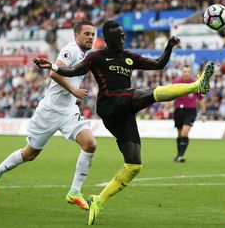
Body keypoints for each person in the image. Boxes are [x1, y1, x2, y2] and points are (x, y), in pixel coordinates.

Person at [33, 20, 215, 225]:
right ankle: (196, 86)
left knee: (134, 165)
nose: (122, 38)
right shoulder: (97, 56)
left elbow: (158, 64)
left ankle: (99, 201)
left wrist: (169, 47)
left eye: (123, 35)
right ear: (108, 39)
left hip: (123, 112)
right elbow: (74, 70)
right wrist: (53, 65)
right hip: (110, 104)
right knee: (151, 93)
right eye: (119, 36)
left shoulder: (128, 57)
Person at [0, 21, 98, 210]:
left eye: (92, 34)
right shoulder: (70, 50)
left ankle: (74, 192)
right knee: (30, 154)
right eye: (86, 34)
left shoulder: (86, 55)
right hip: (50, 110)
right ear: (76, 36)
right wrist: (74, 91)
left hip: (69, 110)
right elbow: (54, 73)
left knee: (90, 143)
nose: (90, 37)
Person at [172, 65, 206, 163]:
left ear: (190, 72)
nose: (186, 73)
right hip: (178, 110)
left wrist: (203, 113)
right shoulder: (176, 82)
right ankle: (178, 155)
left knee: (185, 132)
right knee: (179, 133)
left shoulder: (195, 83)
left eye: (188, 71)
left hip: (190, 111)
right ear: (182, 72)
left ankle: (181, 155)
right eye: (184, 71)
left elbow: (201, 99)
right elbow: (170, 94)